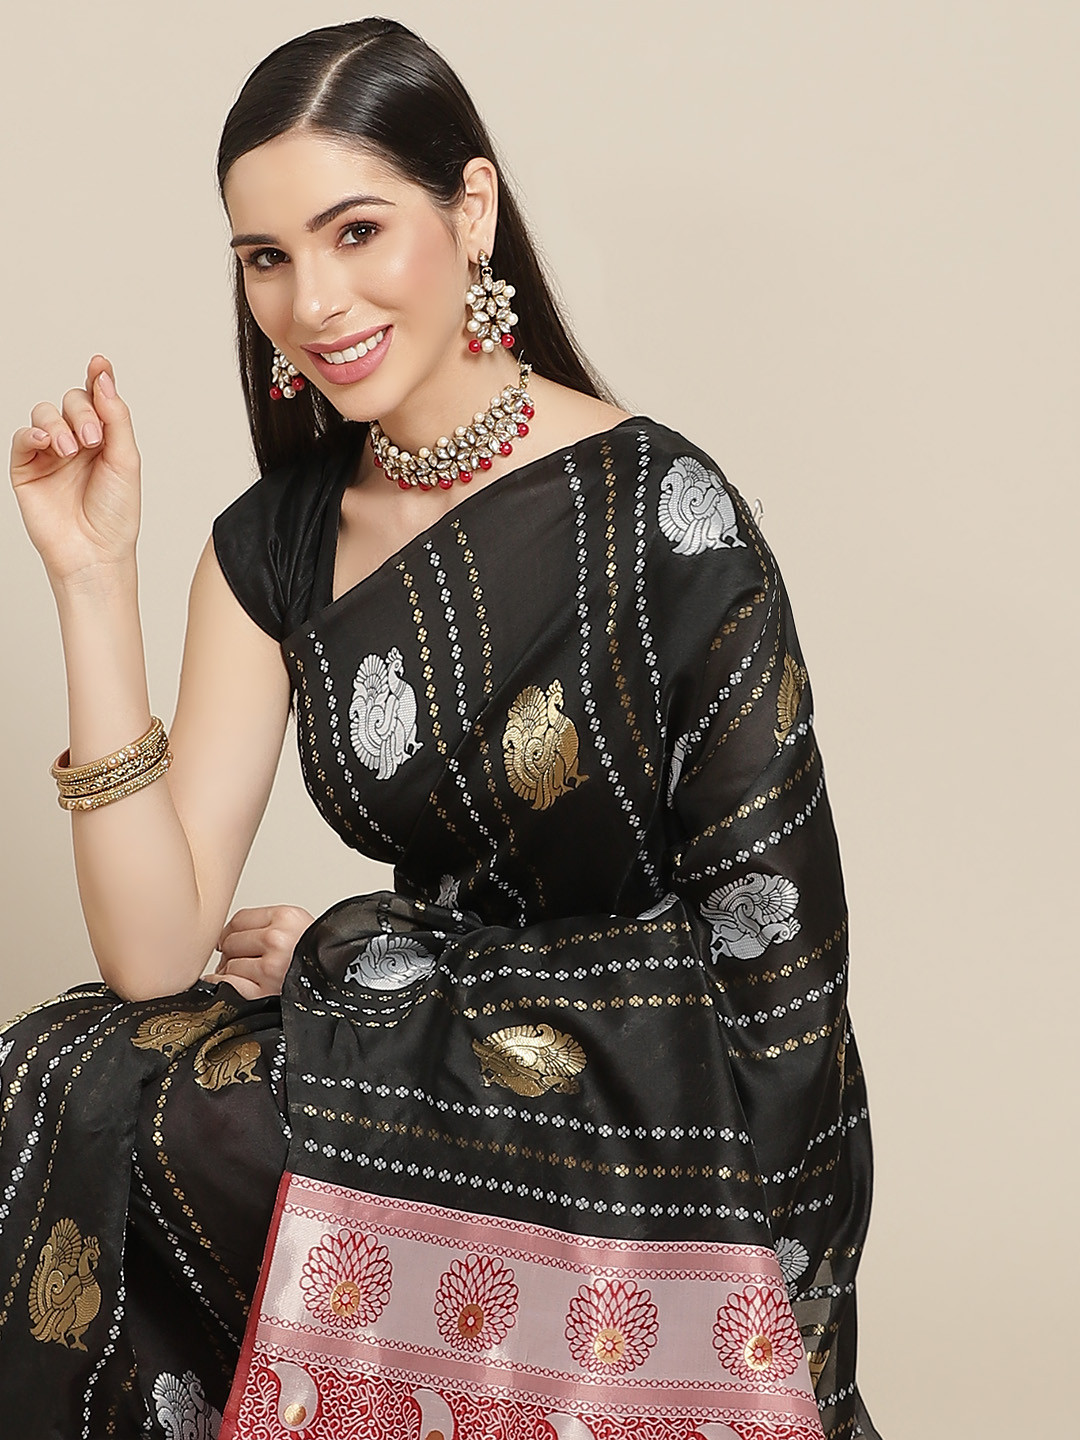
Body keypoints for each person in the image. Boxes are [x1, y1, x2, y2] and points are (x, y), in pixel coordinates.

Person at [1, 17, 880, 1440]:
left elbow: (773, 970)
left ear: (470, 210)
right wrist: (92, 582)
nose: (312, 302)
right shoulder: (278, 547)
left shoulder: (661, 515)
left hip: (666, 1108)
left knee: (212, 1104)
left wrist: (387, 971)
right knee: (70, 1072)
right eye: (266, 258)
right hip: (431, 1081)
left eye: (356, 231)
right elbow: (155, 956)